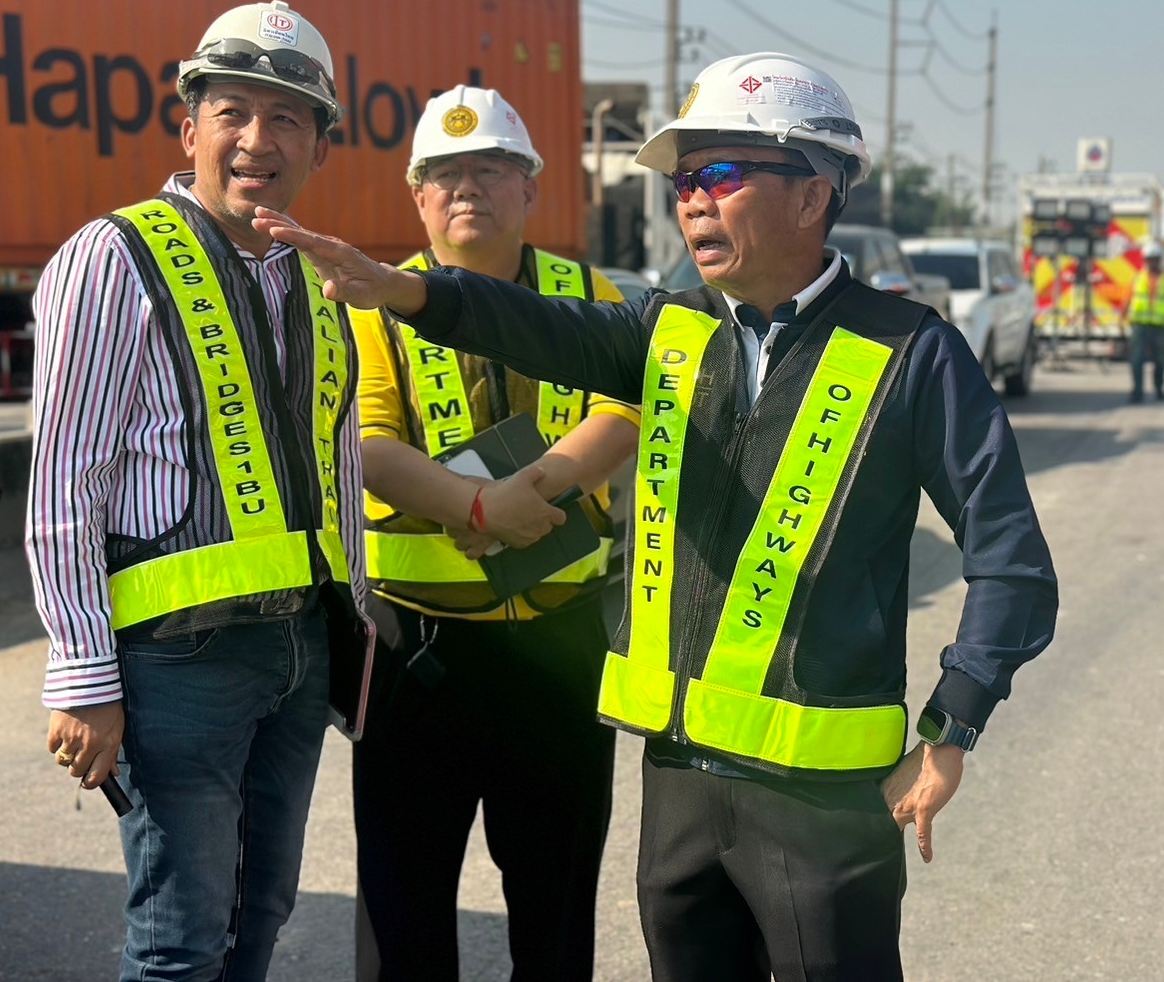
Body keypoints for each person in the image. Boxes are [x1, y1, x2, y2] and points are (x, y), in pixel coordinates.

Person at [258, 51, 1059, 981]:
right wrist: (404, 289)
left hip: (821, 798)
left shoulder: (912, 351)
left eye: (719, 175)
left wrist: (953, 724)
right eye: (683, 183)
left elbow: (1011, 560)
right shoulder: (668, 328)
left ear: (813, 195)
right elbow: (532, 324)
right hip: (679, 790)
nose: (692, 203)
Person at [26, 0, 370, 982]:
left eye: (287, 118)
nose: (258, 139)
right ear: (189, 130)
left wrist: (352, 630)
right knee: (178, 940)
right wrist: (82, 675)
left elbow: (338, 464)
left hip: (297, 650)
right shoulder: (114, 256)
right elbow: (65, 485)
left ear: (319, 148)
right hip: (177, 661)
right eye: (232, 112)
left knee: (259, 916)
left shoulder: (314, 277)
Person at [348, 85, 638, 981]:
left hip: (559, 643)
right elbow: (365, 443)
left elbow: (623, 409)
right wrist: (477, 509)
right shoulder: (372, 304)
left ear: (530, 189)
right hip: (416, 652)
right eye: (444, 174)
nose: (465, 187)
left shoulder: (587, 293)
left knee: (556, 910)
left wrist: (530, 493)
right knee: (403, 911)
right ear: (417, 196)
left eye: (489, 169)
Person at [1127, 240, 1164, 401]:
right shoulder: (1138, 278)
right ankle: (1137, 392)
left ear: (1159, 260)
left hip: (1159, 325)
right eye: (1149, 259)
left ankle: (1159, 388)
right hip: (1139, 324)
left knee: (1160, 360)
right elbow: (1129, 297)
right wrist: (1123, 318)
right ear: (1145, 260)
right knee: (1137, 359)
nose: (1152, 262)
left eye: (1155, 259)